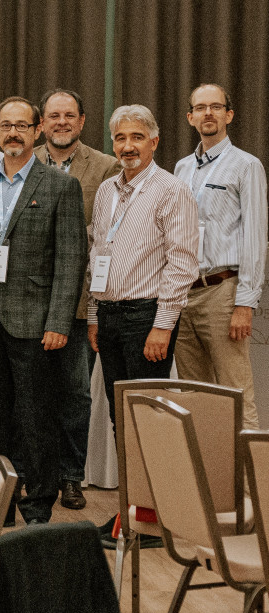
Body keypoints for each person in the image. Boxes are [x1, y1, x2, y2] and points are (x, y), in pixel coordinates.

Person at [0, 96, 86, 526]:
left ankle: (38, 506)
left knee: (36, 417)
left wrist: (59, 321)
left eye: (22, 125)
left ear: (37, 130)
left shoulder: (60, 186)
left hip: (36, 323)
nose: (13, 133)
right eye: (6, 125)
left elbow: (71, 260)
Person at [34, 88, 120, 511]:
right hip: (30, 300)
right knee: (33, 395)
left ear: (82, 121)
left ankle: (70, 476)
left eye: (69, 115)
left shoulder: (106, 167)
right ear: (42, 123)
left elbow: (110, 236)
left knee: (75, 395)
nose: (62, 122)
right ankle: (36, 476)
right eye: (54, 116)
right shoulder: (25, 161)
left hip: (81, 300)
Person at [87, 105, 200, 414]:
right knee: (119, 414)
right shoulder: (106, 190)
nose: (128, 146)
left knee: (148, 415)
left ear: (154, 142)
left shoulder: (172, 190)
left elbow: (182, 264)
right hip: (107, 316)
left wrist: (163, 326)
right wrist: (94, 315)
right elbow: (96, 252)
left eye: (137, 137)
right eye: (120, 138)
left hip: (146, 317)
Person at [173, 83, 266, 427]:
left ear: (229, 115)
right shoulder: (182, 168)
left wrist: (245, 304)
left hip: (222, 292)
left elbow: (255, 236)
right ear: (190, 117)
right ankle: (207, 464)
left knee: (234, 393)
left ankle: (247, 466)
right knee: (194, 397)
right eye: (200, 108)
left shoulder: (246, 165)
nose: (208, 113)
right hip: (184, 294)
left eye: (215, 107)